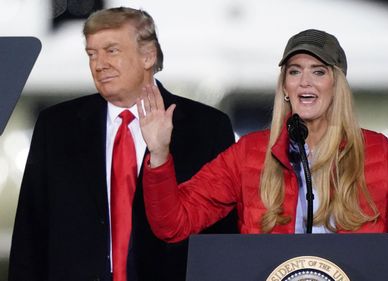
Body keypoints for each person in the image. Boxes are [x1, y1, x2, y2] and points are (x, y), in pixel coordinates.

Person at [139, 29, 388, 243]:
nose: (305, 82)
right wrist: (158, 157)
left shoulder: (377, 152)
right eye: (295, 72)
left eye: (318, 71)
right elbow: (174, 225)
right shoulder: (250, 153)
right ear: (284, 87)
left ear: (337, 84)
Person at [8, 6, 237, 281]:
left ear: (148, 55)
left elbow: (224, 238)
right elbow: (29, 236)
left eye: (111, 50)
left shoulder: (208, 127)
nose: (99, 64)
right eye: (91, 54)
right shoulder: (55, 126)